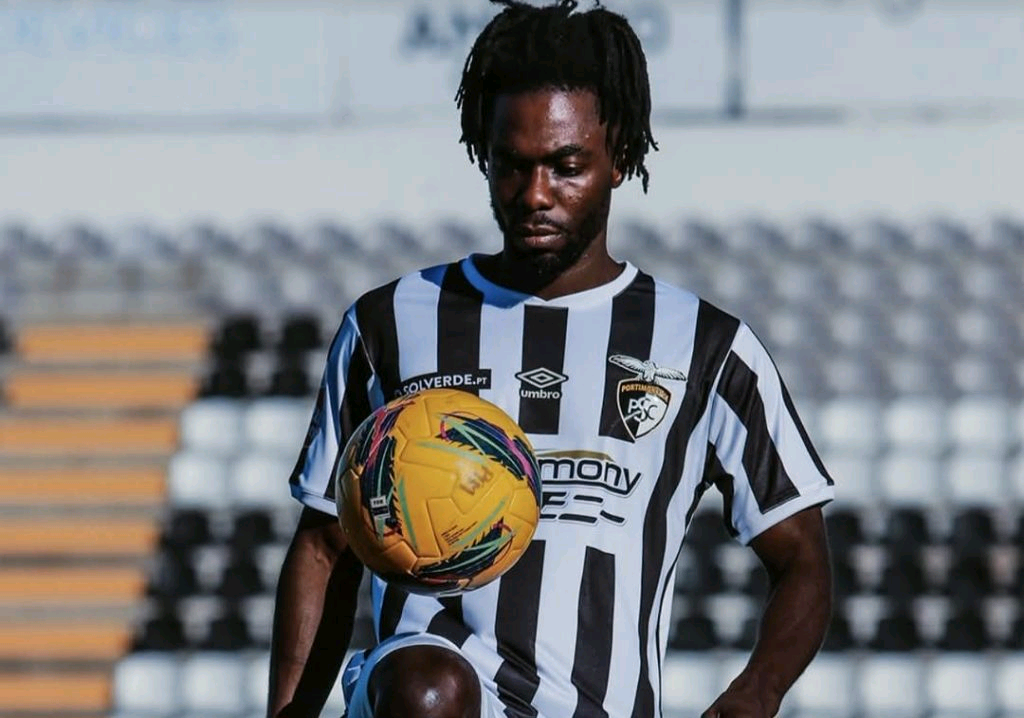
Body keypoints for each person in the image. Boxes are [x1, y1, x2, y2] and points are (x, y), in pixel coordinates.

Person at [268, 1, 835, 717]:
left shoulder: (706, 346)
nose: (535, 195)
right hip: (428, 695)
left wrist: (757, 691)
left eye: (566, 167)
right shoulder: (390, 324)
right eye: (512, 165)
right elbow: (324, 548)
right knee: (425, 692)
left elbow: (802, 557)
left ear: (619, 158)